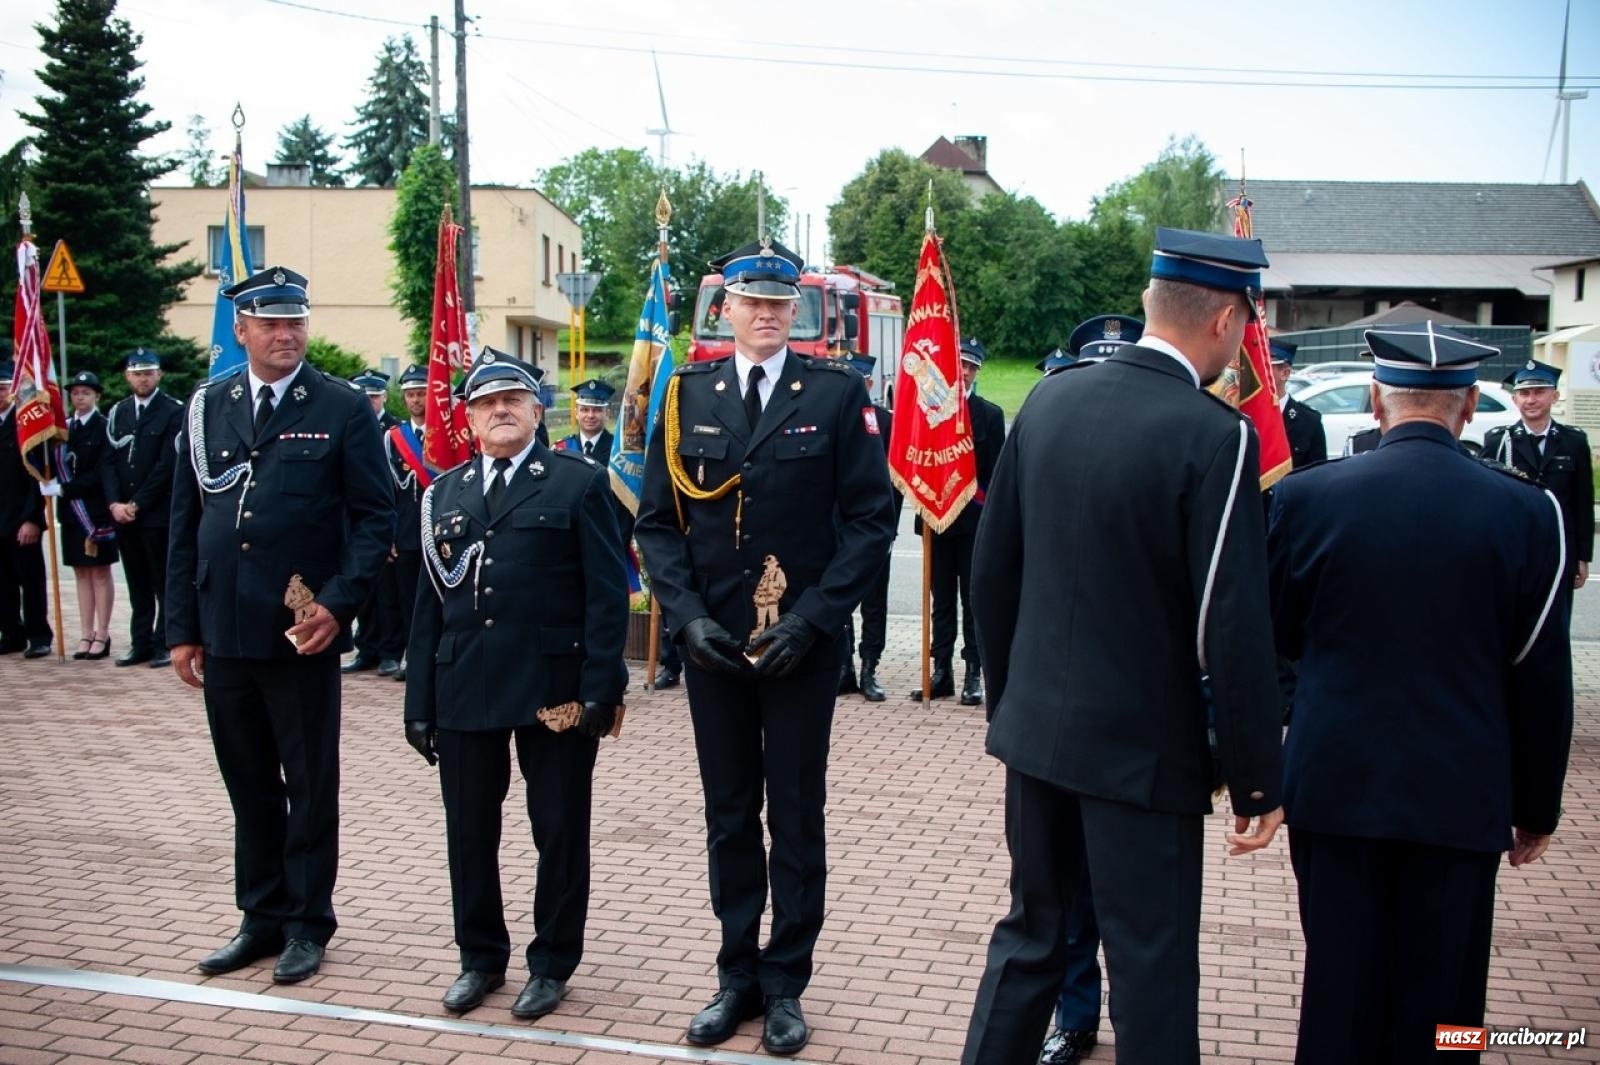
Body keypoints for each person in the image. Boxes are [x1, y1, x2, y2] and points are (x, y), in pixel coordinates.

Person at [961, 227, 1286, 1065]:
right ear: (1224, 321)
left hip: (1038, 740)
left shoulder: (1049, 402)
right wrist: (1254, 776)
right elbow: (1233, 625)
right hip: (1145, 762)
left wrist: (1013, 700)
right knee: (1150, 967)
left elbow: (992, 574)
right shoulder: (1215, 436)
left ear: (1151, 304)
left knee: (1030, 939)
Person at [1267, 322, 1572, 1064]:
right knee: (1445, 1006)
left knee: (1338, 990)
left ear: (1376, 399)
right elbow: (1540, 671)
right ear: (1469, 404)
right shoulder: (1528, 512)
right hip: (1460, 793)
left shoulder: (1307, 499)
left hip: (1336, 787)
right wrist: (1536, 804)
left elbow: (1275, 638)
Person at [634, 238, 896, 1056]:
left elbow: (869, 521)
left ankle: (786, 982)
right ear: (727, 309)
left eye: (781, 304)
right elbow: (656, 524)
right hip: (715, 648)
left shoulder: (835, 393)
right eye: (752, 301)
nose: (766, 314)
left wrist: (814, 619)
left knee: (796, 813)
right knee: (728, 815)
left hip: (801, 647)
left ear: (800, 313)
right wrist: (686, 619)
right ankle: (736, 973)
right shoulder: (686, 396)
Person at [167, 266, 394, 985]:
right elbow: (185, 523)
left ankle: (306, 922)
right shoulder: (207, 407)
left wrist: (339, 601)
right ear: (241, 329)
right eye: (269, 322)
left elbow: (373, 518)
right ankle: (259, 915)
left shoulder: (341, 406)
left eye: (295, 320)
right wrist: (181, 625)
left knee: (308, 782)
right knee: (248, 782)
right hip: (225, 628)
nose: (285, 333)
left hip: (302, 631)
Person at [404, 350, 629, 1020]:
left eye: (513, 398)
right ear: (469, 417)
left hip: (553, 686)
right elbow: (426, 606)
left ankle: (552, 961)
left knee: (558, 827)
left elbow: (606, 595)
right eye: (485, 401)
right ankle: (480, 957)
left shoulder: (576, 482)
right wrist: (420, 701)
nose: (500, 409)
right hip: (465, 683)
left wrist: (601, 687)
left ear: (538, 410)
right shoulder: (443, 493)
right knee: (469, 830)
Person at [1031, 311, 1143, 1065]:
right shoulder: (1044, 450)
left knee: (1132, 901)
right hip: (1059, 717)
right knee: (1063, 893)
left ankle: (1145, 1025)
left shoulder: (1173, 451)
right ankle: (1075, 1015)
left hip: (1140, 722)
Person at [910, 337, 1006, 706]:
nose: (963, 372)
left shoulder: (989, 415)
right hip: (936, 521)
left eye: (970, 367)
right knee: (941, 601)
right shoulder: (926, 412)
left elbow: (994, 475)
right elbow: (915, 460)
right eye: (958, 365)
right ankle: (941, 671)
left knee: (973, 600)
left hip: (972, 522)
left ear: (977, 371)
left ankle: (973, 674)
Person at [1481, 359, 1593, 595]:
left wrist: (1583, 556)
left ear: (1554, 396)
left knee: (1557, 617)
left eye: (1539, 392)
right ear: (1515, 400)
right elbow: (1486, 502)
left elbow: (1582, 502)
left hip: (1561, 546)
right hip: (1514, 545)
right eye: (1524, 393)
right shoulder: (1499, 442)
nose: (1531, 399)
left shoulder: (1574, 442)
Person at [103, 347, 183, 668]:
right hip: (124, 514)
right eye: (137, 373)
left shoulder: (172, 411)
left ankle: (164, 642)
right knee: (136, 583)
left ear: (159, 375)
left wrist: (137, 503)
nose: (143, 378)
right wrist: (114, 503)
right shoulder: (118, 412)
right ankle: (141, 643)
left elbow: (167, 465)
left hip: (155, 512)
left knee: (161, 581)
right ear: (127, 376)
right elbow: (108, 463)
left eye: (149, 372)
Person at [39, 371, 119, 659]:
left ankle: (103, 633)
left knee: (100, 572)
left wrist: (64, 488)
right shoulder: (64, 429)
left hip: (95, 511)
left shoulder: (104, 426)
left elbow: (101, 472)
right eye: (75, 393)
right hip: (72, 514)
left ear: (97, 396)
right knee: (80, 572)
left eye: (86, 392)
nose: (80, 397)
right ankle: (85, 633)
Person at [837, 353, 898, 702]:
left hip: (873, 527)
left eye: (860, 380)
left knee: (875, 602)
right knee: (840, 598)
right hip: (837, 527)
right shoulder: (829, 418)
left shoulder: (887, 423)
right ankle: (843, 666)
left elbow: (896, 482)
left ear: (870, 384)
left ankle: (869, 667)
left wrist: (888, 530)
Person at [346, 369, 404, 676]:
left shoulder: (396, 431)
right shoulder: (349, 421)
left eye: (373, 397)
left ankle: (389, 652)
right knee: (364, 593)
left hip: (387, 522)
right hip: (357, 522)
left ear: (383, 397)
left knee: (390, 595)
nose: (369, 402)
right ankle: (365, 648)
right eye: (364, 396)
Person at [0, 361, 53, 658]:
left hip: (22, 518)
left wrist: (33, 519)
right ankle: (11, 633)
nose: (0, 393)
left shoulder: (26, 425)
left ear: (14, 390)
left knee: (30, 581)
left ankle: (38, 635)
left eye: (4, 387)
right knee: (2, 584)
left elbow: (38, 478)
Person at [383, 364, 431, 683]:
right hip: (405, 530)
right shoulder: (393, 438)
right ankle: (411, 657)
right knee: (407, 599)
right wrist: (389, 534)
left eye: (421, 393)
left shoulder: (446, 436)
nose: (416, 400)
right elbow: (385, 489)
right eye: (411, 394)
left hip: (439, 530)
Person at [1268, 341, 1327, 468]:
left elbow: (1317, 473)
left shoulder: (1310, 421)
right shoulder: (1247, 414)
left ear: (1285, 373)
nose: (1259, 372)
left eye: (1266, 367)